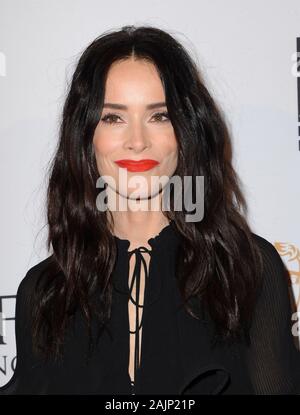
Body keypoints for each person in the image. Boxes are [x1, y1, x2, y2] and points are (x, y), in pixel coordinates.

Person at [1, 25, 300, 395]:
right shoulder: (44, 293)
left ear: (187, 129)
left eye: (159, 116)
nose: (138, 141)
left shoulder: (246, 271)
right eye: (114, 117)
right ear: (85, 136)